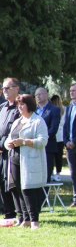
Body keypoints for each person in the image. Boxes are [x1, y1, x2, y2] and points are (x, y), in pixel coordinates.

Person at [5, 94, 48, 229]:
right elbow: (9, 138)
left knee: (28, 189)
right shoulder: (18, 121)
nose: (19, 107)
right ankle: (26, 219)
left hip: (30, 161)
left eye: (22, 104)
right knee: (18, 190)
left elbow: (42, 141)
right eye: (18, 105)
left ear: (30, 105)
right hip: (15, 159)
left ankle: (34, 220)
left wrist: (23, 142)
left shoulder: (38, 121)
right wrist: (9, 144)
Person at [0, 78, 21, 219]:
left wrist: (2, 145)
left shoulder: (21, 107)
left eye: (8, 88)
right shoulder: (2, 108)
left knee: (12, 183)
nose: (4, 91)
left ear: (16, 88)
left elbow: (16, 130)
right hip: (1, 153)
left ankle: (21, 214)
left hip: (13, 151)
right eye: (3, 88)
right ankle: (8, 213)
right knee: (1, 182)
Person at [35, 87, 61, 184]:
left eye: (40, 94)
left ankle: (44, 198)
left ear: (46, 95)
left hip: (48, 146)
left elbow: (53, 128)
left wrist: (41, 138)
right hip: (34, 146)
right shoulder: (33, 110)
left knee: (46, 175)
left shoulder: (54, 109)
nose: (38, 96)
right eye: (36, 94)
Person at [50, 95, 66, 182]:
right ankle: (51, 173)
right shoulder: (51, 109)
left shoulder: (63, 109)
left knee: (58, 156)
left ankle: (58, 173)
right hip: (52, 136)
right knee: (51, 155)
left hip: (60, 136)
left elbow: (64, 122)